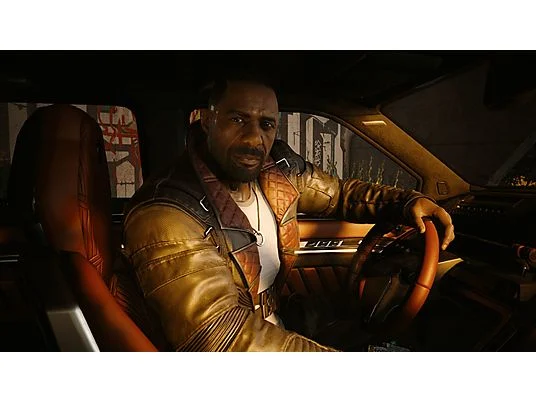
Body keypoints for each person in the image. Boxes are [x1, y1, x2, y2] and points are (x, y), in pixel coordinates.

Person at [122, 73, 455, 352]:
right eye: (238, 119)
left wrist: (406, 202)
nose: (253, 139)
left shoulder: (277, 169)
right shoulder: (166, 215)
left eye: (266, 124)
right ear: (207, 122)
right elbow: (221, 338)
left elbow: (339, 195)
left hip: (278, 321)